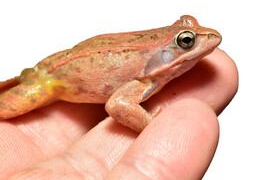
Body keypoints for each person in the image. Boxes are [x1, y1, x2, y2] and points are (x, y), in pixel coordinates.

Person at [0, 49, 238, 179]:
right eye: (186, 41)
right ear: (164, 54)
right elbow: (117, 105)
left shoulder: (148, 75)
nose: (206, 42)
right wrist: (149, 124)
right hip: (50, 80)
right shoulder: (144, 80)